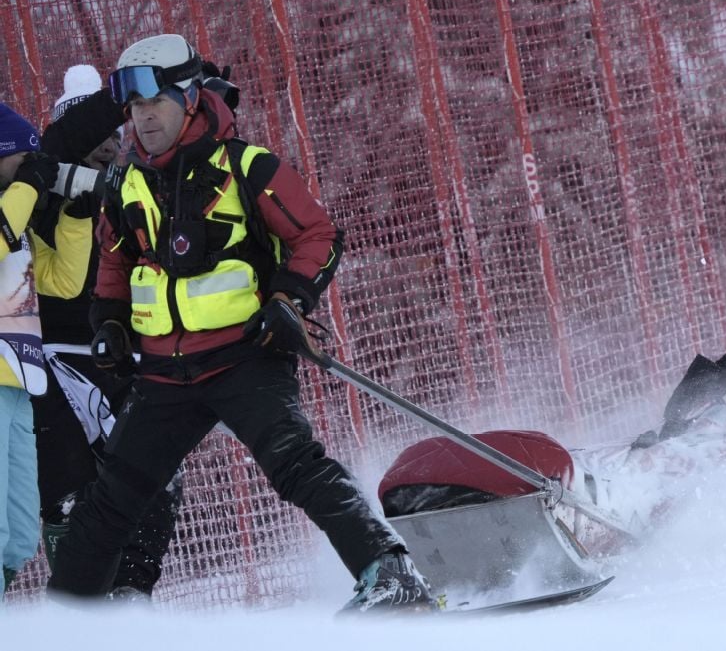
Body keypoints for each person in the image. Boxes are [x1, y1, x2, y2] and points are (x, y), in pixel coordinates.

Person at [45, 33, 437, 612]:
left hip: (244, 356)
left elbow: (318, 235)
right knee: (114, 497)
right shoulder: (129, 182)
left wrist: (288, 301)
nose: (142, 118)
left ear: (188, 98)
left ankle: (392, 573)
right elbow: (116, 257)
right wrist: (110, 319)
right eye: (133, 107)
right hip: (164, 373)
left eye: (154, 103)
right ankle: (64, 621)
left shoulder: (248, 167)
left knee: (295, 464)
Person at [378, 319, 726, 557]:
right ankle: (468, 492)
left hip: (719, 464)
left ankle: (581, 512)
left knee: (639, 481)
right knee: (597, 459)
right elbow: (680, 414)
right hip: (685, 444)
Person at [32, 64, 183, 601]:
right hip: (53, 357)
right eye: (94, 135)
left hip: (125, 352)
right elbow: (58, 144)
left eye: (113, 137)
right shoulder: (42, 183)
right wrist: (123, 91)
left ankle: (132, 596)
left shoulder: (133, 187)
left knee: (157, 471)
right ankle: (76, 608)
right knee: (72, 491)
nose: (105, 146)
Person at [0, 102, 60, 597]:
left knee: (19, 537)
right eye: (21, 158)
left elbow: (62, 279)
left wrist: (76, 218)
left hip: (18, 379)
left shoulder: (14, 220)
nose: (29, 168)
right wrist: (29, 187)